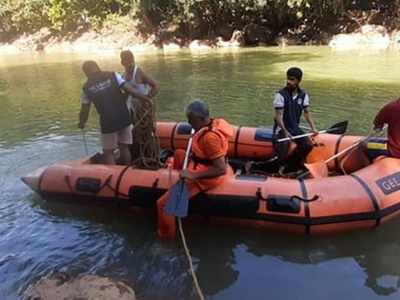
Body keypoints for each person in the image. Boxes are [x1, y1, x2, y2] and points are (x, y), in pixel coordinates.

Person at [156, 100, 234, 239]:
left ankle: (166, 241)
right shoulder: (211, 123)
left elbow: (221, 169)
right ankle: (177, 185)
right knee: (179, 153)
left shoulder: (210, 138)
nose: (189, 123)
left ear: (201, 119)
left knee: (162, 204)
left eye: (191, 120)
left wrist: (193, 175)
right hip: (201, 164)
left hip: (208, 178)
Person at [78, 60, 151, 165]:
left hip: (108, 121)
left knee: (108, 152)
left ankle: (113, 176)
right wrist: (145, 98)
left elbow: (85, 109)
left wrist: (82, 123)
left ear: (86, 72)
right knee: (124, 147)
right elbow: (130, 90)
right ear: (98, 67)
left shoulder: (86, 88)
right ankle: (126, 171)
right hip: (124, 116)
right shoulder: (113, 75)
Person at [273, 67, 317, 172]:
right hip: (282, 128)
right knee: (283, 150)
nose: (288, 82)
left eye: (292, 79)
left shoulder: (303, 95)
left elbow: (306, 113)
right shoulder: (280, 95)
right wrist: (285, 131)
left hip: (295, 128)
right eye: (287, 79)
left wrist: (313, 128)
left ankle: (292, 165)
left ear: (298, 81)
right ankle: (279, 167)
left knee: (307, 145)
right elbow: (278, 116)